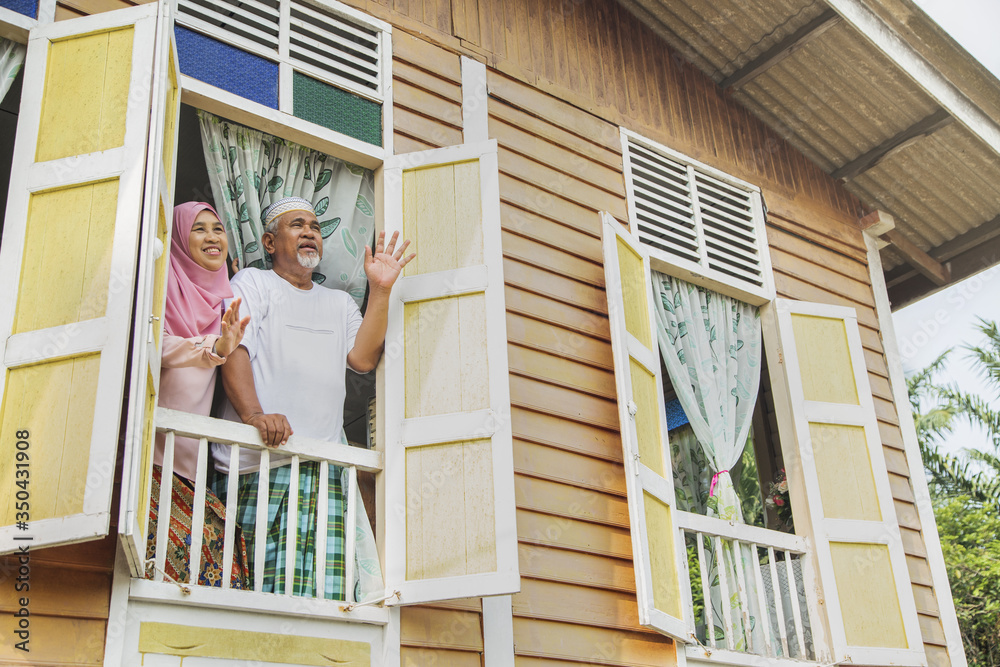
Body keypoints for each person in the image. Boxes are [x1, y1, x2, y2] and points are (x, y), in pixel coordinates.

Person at [213, 196, 413, 599]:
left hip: (323, 471)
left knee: (321, 596)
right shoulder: (253, 284)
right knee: (254, 596)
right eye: (297, 225)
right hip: (258, 465)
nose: (309, 233)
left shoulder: (337, 302)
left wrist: (380, 289)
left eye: (316, 228)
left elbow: (362, 358)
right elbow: (235, 350)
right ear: (269, 242)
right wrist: (254, 415)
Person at [146, 201, 251, 588]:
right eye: (199, 229)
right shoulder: (160, 286)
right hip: (145, 457)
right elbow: (154, 345)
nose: (212, 237)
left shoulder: (227, 304)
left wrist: (221, 344)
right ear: (178, 238)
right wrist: (213, 347)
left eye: (218, 229)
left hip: (186, 466)